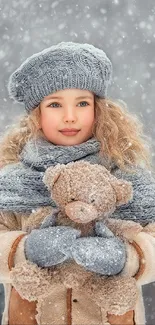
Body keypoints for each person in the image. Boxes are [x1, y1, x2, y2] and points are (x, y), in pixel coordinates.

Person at [0, 41, 155, 325]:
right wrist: (25, 249)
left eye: (82, 103)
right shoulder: (10, 181)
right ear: (37, 114)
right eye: (55, 104)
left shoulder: (128, 177)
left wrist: (128, 258)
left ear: (99, 109)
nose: (70, 116)